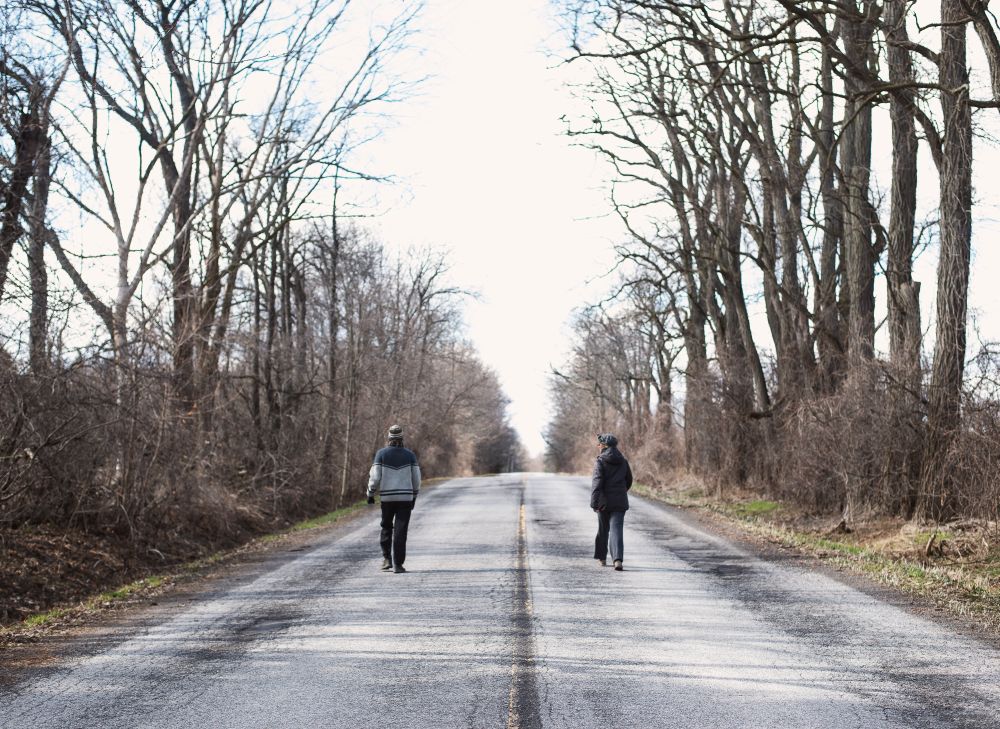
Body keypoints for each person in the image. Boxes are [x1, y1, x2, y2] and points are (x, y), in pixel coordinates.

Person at [367, 424, 421, 573]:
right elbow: (416, 478)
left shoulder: (381, 454)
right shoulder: (410, 455)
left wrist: (370, 493)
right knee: (400, 531)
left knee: (386, 527)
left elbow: (375, 477)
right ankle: (398, 564)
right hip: (405, 498)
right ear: (402, 438)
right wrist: (414, 494)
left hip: (387, 499)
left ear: (389, 438)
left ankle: (386, 559)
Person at [591, 433, 633, 571]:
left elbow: (597, 483)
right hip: (620, 501)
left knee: (603, 529)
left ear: (604, 446)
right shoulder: (623, 461)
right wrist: (621, 491)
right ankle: (617, 560)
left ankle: (602, 558)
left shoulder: (600, 461)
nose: (598, 446)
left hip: (604, 502)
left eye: (599, 444)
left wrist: (594, 502)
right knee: (617, 529)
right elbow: (629, 480)